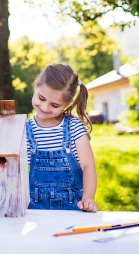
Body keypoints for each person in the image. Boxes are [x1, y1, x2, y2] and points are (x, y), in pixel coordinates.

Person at [26, 63, 98, 212]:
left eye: (55, 105)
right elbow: (16, 170)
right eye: (41, 98)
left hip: (73, 211)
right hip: (35, 212)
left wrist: (88, 198)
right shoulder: (24, 131)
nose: (45, 107)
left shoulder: (74, 127)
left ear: (67, 103)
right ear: (35, 86)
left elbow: (88, 166)